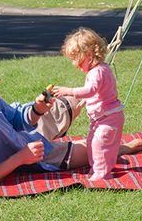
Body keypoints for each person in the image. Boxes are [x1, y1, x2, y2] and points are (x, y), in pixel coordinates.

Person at [0, 53, 142, 186]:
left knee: (73, 100)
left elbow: (15, 118)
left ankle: (104, 142)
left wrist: (37, 109)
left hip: (22, 134)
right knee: (95, 151)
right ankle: (121, 148)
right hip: (24, 150)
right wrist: (20, 158)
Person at [52, 27, 124, 181]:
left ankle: (102, 173)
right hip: (102, 117)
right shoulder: (100, 69)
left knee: (100, 144)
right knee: (93, 143)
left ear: (89, 55)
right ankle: (98, 167)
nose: (73, 63)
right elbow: (100, 92)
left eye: (76, 59)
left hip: (108, 118)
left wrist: (69, 91)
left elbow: (91, 90)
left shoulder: (97, 72)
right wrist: (84, 101)